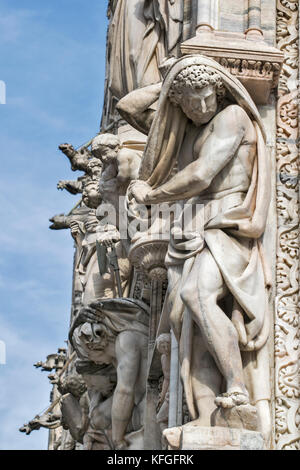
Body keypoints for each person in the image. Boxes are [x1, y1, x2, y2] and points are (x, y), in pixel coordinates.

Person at [118, 55, 272, 441]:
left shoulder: (232, 116)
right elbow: (128, 109)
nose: (201, 107)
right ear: (179, 103)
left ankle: (238, 389)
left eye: (206, 98)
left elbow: (202, 175)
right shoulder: (184, 129)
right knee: (187, 324)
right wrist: (168, 82)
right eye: (191, 102)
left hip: (226, 221)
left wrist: (152, 193)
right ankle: (208, 413)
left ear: (218, 90)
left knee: (198, 295)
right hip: (192, 226)